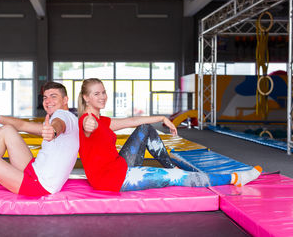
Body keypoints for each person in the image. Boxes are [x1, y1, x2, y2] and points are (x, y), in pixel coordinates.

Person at [78, 78, 262, 192]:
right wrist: (89, 124)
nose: (102, 96)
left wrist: (162, 118)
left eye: (103, 92)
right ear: (86, 98)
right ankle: (235, 178)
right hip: (113, 180)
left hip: (118, 166)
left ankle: (171, 165)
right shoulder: (87, 120)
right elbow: (87, 126)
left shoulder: (103, 121)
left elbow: (132, 120)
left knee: (144, 129)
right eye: (96, 94)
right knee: (175, 178)